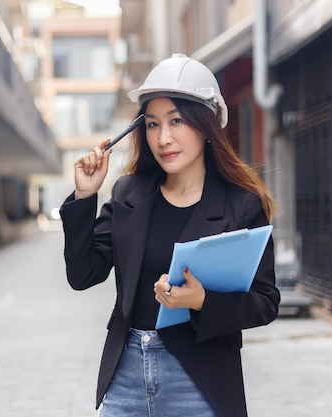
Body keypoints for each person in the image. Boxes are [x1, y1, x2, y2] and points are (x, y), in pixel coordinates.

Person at [60, 53, 280, 417]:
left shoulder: (241, 206)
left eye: (176, 121)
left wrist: (201, 301)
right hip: (126, 375)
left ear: (206, 125)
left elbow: (265, 302)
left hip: (199, 378)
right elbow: (82, 275)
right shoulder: (129, 193)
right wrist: (85, 196)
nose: (163, 138)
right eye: (152, 124)